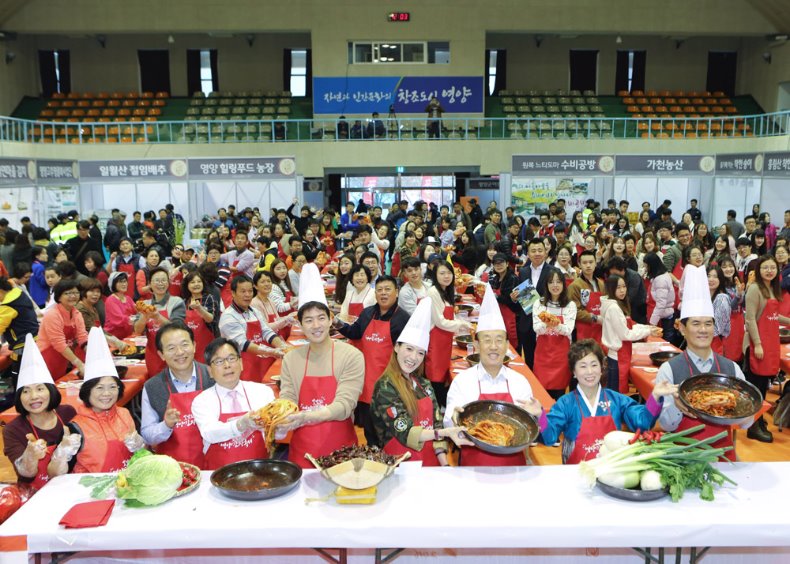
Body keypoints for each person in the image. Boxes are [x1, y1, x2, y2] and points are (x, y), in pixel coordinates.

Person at [655, 265, 755, 455]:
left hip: (722, 457)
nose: (703, 330)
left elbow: (746, 423)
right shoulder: (669, 370)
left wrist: (742, 409)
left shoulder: (730, 369)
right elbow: (667, 425)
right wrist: (678, 407)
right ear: (682, 329)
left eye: (708, 324)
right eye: (696, 324)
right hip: (683, 460)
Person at [523, 339, 674, 463]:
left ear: (602, 367)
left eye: (594, 365)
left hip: (610, 471)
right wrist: (540, 415)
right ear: (574, 372)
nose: (589, 372)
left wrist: (654, 397)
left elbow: (642, 422)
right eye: (582, 366)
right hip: (576, 472)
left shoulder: (616, 399)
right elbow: (549, 438)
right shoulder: (565, 403)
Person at [278, 264, 364, 468]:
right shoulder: (291, 359)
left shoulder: (351, 356)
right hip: (302, 452)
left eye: (321, 318)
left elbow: (344, 406)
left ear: (330, 319)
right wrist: (280, 419)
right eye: (308, 320)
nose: (316, 326)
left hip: (342, 453)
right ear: (299, 325)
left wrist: (305, 417)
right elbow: (288, 399)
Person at [370, 300, 471, 464]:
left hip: (431, 461)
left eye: (420, 353)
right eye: (409, 349)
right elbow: (406, 432)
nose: (413, 358)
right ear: (397, 347)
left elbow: (436, 425)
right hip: (400, 464)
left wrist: (444, 462)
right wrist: (444, 433)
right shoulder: (385, 387)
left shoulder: (425, 385)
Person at [445, 284, 535, 466]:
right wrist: (452, 420)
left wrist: (540, 417)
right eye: (487, 340)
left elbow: (535, 431)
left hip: (513, 471)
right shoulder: (463, 381)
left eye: (499, 340)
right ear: (476, 346)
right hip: (473, 471)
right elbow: (449, 421)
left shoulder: (520, 382)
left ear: (507, 346)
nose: (493, 346)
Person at [335, 275, 410, 442]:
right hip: (367, 382)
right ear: (375, 293)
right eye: (380, 290)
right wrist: (335, 322)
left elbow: (407, 356)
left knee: (389, 431)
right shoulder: (368, 313)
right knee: (369, 430)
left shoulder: (403, 319)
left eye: (388, 289)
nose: (383, 293)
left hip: (391, 384)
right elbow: (354, 332)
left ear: (396, 292)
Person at [3, 335, 80, 490]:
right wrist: (30, 456)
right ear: (19, 397)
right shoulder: (13, 430)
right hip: (35, 495)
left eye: (40, 389)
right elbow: (25, 474)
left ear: (50, 391)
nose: (34, 397)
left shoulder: (68, 414)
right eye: (26, 391)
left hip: (73, 486)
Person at [69, 328, 146, 473]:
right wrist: (61, 456)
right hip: (93, 491)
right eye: (99, 388)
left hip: (127, 485)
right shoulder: (75, 427)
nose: (106, 394)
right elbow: (57, 474)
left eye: (112, 387)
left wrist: (140, 446)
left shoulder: (125, 414)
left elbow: (138, 456)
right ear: (87, 391)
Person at [192, 338, 275, 470]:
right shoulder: (202, 401)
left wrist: (284, 423)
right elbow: (210, 433)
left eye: (231, 358)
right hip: (220, 474)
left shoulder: (262, 392)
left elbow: (276, 433)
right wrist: (241, 424)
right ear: (209, 371)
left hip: (260, 470)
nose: (227, 365)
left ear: (241, 363)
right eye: (219, 361)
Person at [141, 321, 214, 467]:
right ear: (161, 355)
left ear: (194, 346)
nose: (180, 352)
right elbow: (147, 436)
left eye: (184, 344)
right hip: (173, 469)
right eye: (171, 348)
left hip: (213, 464)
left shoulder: (213, 376)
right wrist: (166, 425)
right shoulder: (152, 386)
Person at [743, 254, 790, 442]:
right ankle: (753, 425)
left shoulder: (772, 289)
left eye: (772, 267)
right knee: (756, 388)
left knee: (764, 386)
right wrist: (758, 344)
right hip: (759, 345)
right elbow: (750, 319)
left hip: (771, 343)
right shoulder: (754, 289)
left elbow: (774, 316)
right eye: (765, 268)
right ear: (759, 270)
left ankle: (759, 420)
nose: (769, 271)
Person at [218, 275, 286, 383]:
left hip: (262, 362)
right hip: (243, 367)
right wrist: (272, 351)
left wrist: (283, 346)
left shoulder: (254, 311)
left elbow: (266, 331)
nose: (247, 295)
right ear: (233, 293)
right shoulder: (228, 317)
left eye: (250, 291)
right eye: (243, 291)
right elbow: (242, 344)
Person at [600, 274, 659, 393]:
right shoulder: (613, 308)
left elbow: (629, 324)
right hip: (617, 355)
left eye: (624, 286)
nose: (622, 290)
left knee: (614, 391)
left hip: (618, 353)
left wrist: (647, 327)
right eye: (618, 288)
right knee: (615, 393)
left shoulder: (616, 304)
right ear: (611, 289)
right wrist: (647, 331)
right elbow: (625, 335)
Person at [424, 263, 472, 406]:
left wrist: (460, 322)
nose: (446, 276)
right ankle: (436, 409)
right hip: (436, 341)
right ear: (435, 275)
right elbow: (440, 321)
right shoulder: (433, 292)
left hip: (445, 340)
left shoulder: (447, 291)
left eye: (449, 273)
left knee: (443, 374)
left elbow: (450, 318)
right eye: (442, 273)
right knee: (435, 375)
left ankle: (442, 405)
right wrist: (462, 325)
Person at [132, 267, 186, 378]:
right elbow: (137, 330)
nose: (160, 283)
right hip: (153, 355)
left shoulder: (176, 302)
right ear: (150, 284)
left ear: (168, 283)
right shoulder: (144, 304)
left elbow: (178, 328)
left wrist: (157, 317)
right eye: (157, 280)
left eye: (163, 280)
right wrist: (144, 317)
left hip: (175, 353)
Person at [532, 269, 577, 399]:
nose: (555, 285)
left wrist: (550, 322)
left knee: (559, 394)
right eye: (551, 282)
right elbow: (537, 329)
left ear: (564, 284)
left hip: (561, 358)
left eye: (558, 282)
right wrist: (550, 323)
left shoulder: (570, 305)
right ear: (546, 285)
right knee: (541, 395)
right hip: (542, 356)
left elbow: (568, 330)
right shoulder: (539, 303)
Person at [512, 238, 552, 369]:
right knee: (529, 359)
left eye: (540, 250)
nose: (537, 253)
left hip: (546, 322)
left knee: (545, 361)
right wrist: (515, 298)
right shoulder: (523, 272)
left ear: (546, 252)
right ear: (528, 254)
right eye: (533, 251)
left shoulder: (553, 272)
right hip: (527, 323)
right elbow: (521, 302)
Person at [37, 280, 88, 378]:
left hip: (62, 357)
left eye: (76, 292)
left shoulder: (76, 313)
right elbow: (58, 343)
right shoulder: (53, 315)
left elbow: (82, 337)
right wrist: (79, 363)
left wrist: (92, 354)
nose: (73, 296)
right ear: (59, 297)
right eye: (68, 293)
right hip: (46, 357)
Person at [0, 276, 39, 385]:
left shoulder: (7, 305)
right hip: (34, 337)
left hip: (21, 344)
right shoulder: (18, 293)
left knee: (19, 377)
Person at [181, 271, 218, 364]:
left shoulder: (209, 298)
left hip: (207, 346)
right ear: (187, 285)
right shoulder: (185, 302)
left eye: (199, 281)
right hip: (189, 346)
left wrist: (199, 308)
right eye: (192, 282)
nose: (196, 284)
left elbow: (210, 318)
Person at [568, 250, 604, 346]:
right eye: (584, 263)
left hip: (600, 329)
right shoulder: (574, 286)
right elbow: (575, 310)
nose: (588, 265)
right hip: (584, 329)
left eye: (591, 262)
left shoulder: (601, 283)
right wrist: (595, 318)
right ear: (579, 264)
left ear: (596, 263)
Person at [489, 253, 520, 350]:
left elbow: (510, 299)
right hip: (499, 316)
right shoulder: (496, 278)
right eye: (496, 263)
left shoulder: (512, 278)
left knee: (511, 346)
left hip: (511, 317)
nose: (499, 265)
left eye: (501, 263)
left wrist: (496, 297)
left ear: (507, 264)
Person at [644, 252, 676, 345]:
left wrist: (653, 322)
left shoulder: (660, 280)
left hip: (664, 318)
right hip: (661, 315)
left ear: (652, 266)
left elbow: (661, 304)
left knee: (665, 343)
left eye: (646, 266)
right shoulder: (658, 276)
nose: (645, 269)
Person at [104, 272, 137, 340]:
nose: (124, 284)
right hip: (113, 338)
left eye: (125, 281)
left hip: (127, 336)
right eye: (120, 282)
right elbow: (119, 319)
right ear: (113, 284)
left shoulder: (128, 298)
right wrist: (136, 319)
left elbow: (137, 310)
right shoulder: (111, 300)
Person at [707, 265, 731, 356]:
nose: (711, 279)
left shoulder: (721, 299)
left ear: (720, 279)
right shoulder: (703, 296)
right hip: (700, 343)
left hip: (713, 345)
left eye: (715, 276)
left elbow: (717, 329)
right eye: (708, 276)